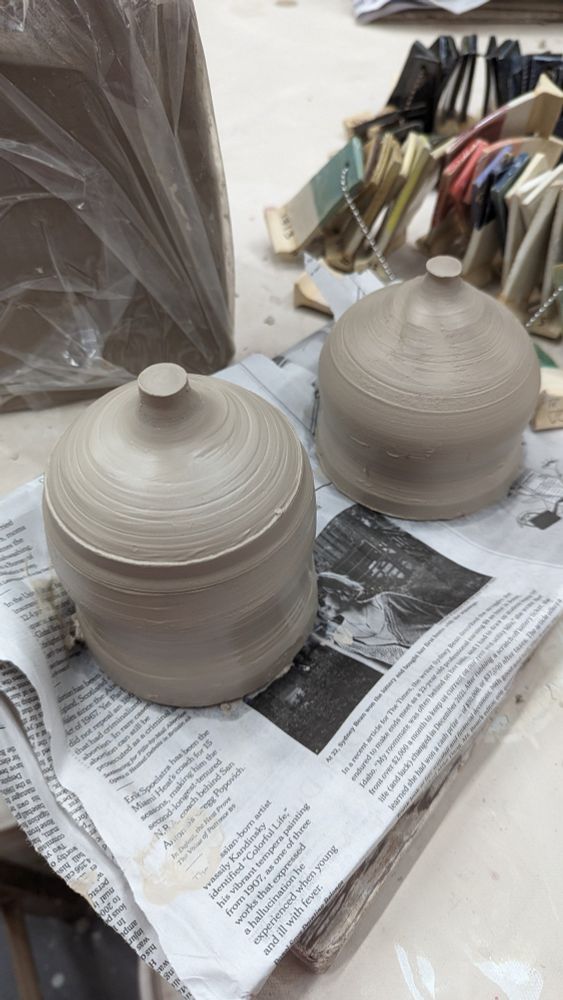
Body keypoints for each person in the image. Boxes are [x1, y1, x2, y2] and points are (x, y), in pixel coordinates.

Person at [317, 570, 450, 666]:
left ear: (337, 590)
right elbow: (386, 670)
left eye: (321, 597)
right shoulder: (342, 639)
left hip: (452, 645)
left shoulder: (385, 601)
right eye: (314, 606)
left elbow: (438, 612)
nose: (319, 606)